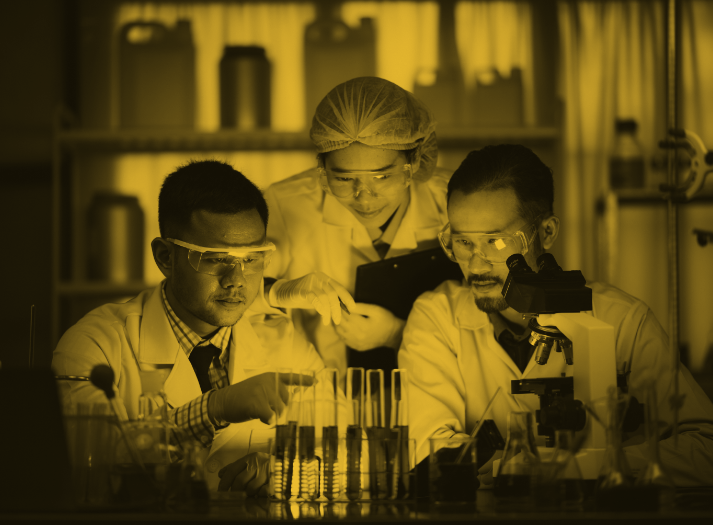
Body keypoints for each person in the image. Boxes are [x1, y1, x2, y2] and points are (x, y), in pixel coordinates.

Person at [399, 144, 713, 487]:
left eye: (497, 243)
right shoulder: (436, 319)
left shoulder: (621, 320)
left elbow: (704, 446)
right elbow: (432, 450)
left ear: (546, 232)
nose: (475, 265)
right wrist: (529, 469)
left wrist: (602, 465)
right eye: (462, 243)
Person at [52, 160, 340, 494]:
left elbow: (345, 448)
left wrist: (288, 471)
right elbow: (83, 461)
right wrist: (214, 408)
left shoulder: (283, 342)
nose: (236, 281)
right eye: (215, 259)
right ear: (165, 257)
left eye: (251, 259)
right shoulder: (95, 344)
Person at [264, 76, 453, 383]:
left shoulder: (450, 201)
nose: (364, 197)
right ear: (322, 169)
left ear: (415, 161)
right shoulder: (287, 205)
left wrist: (398, 333)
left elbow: (485, 325)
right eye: (343, 179)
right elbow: (240, 302)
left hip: (435, 394)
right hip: (320, 397)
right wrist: (274, 291)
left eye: (381, 178)